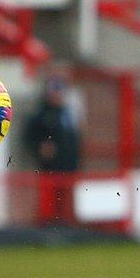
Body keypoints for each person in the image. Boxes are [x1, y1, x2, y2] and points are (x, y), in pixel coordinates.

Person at [23, 73, 81, 223]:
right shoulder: (41, 115)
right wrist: (40, 147)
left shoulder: (67, 112)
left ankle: (64, 222)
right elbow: (30, 137)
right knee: (49, 198)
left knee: (65, 199)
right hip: (50, 167)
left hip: (68, 165)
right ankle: (48, 223)